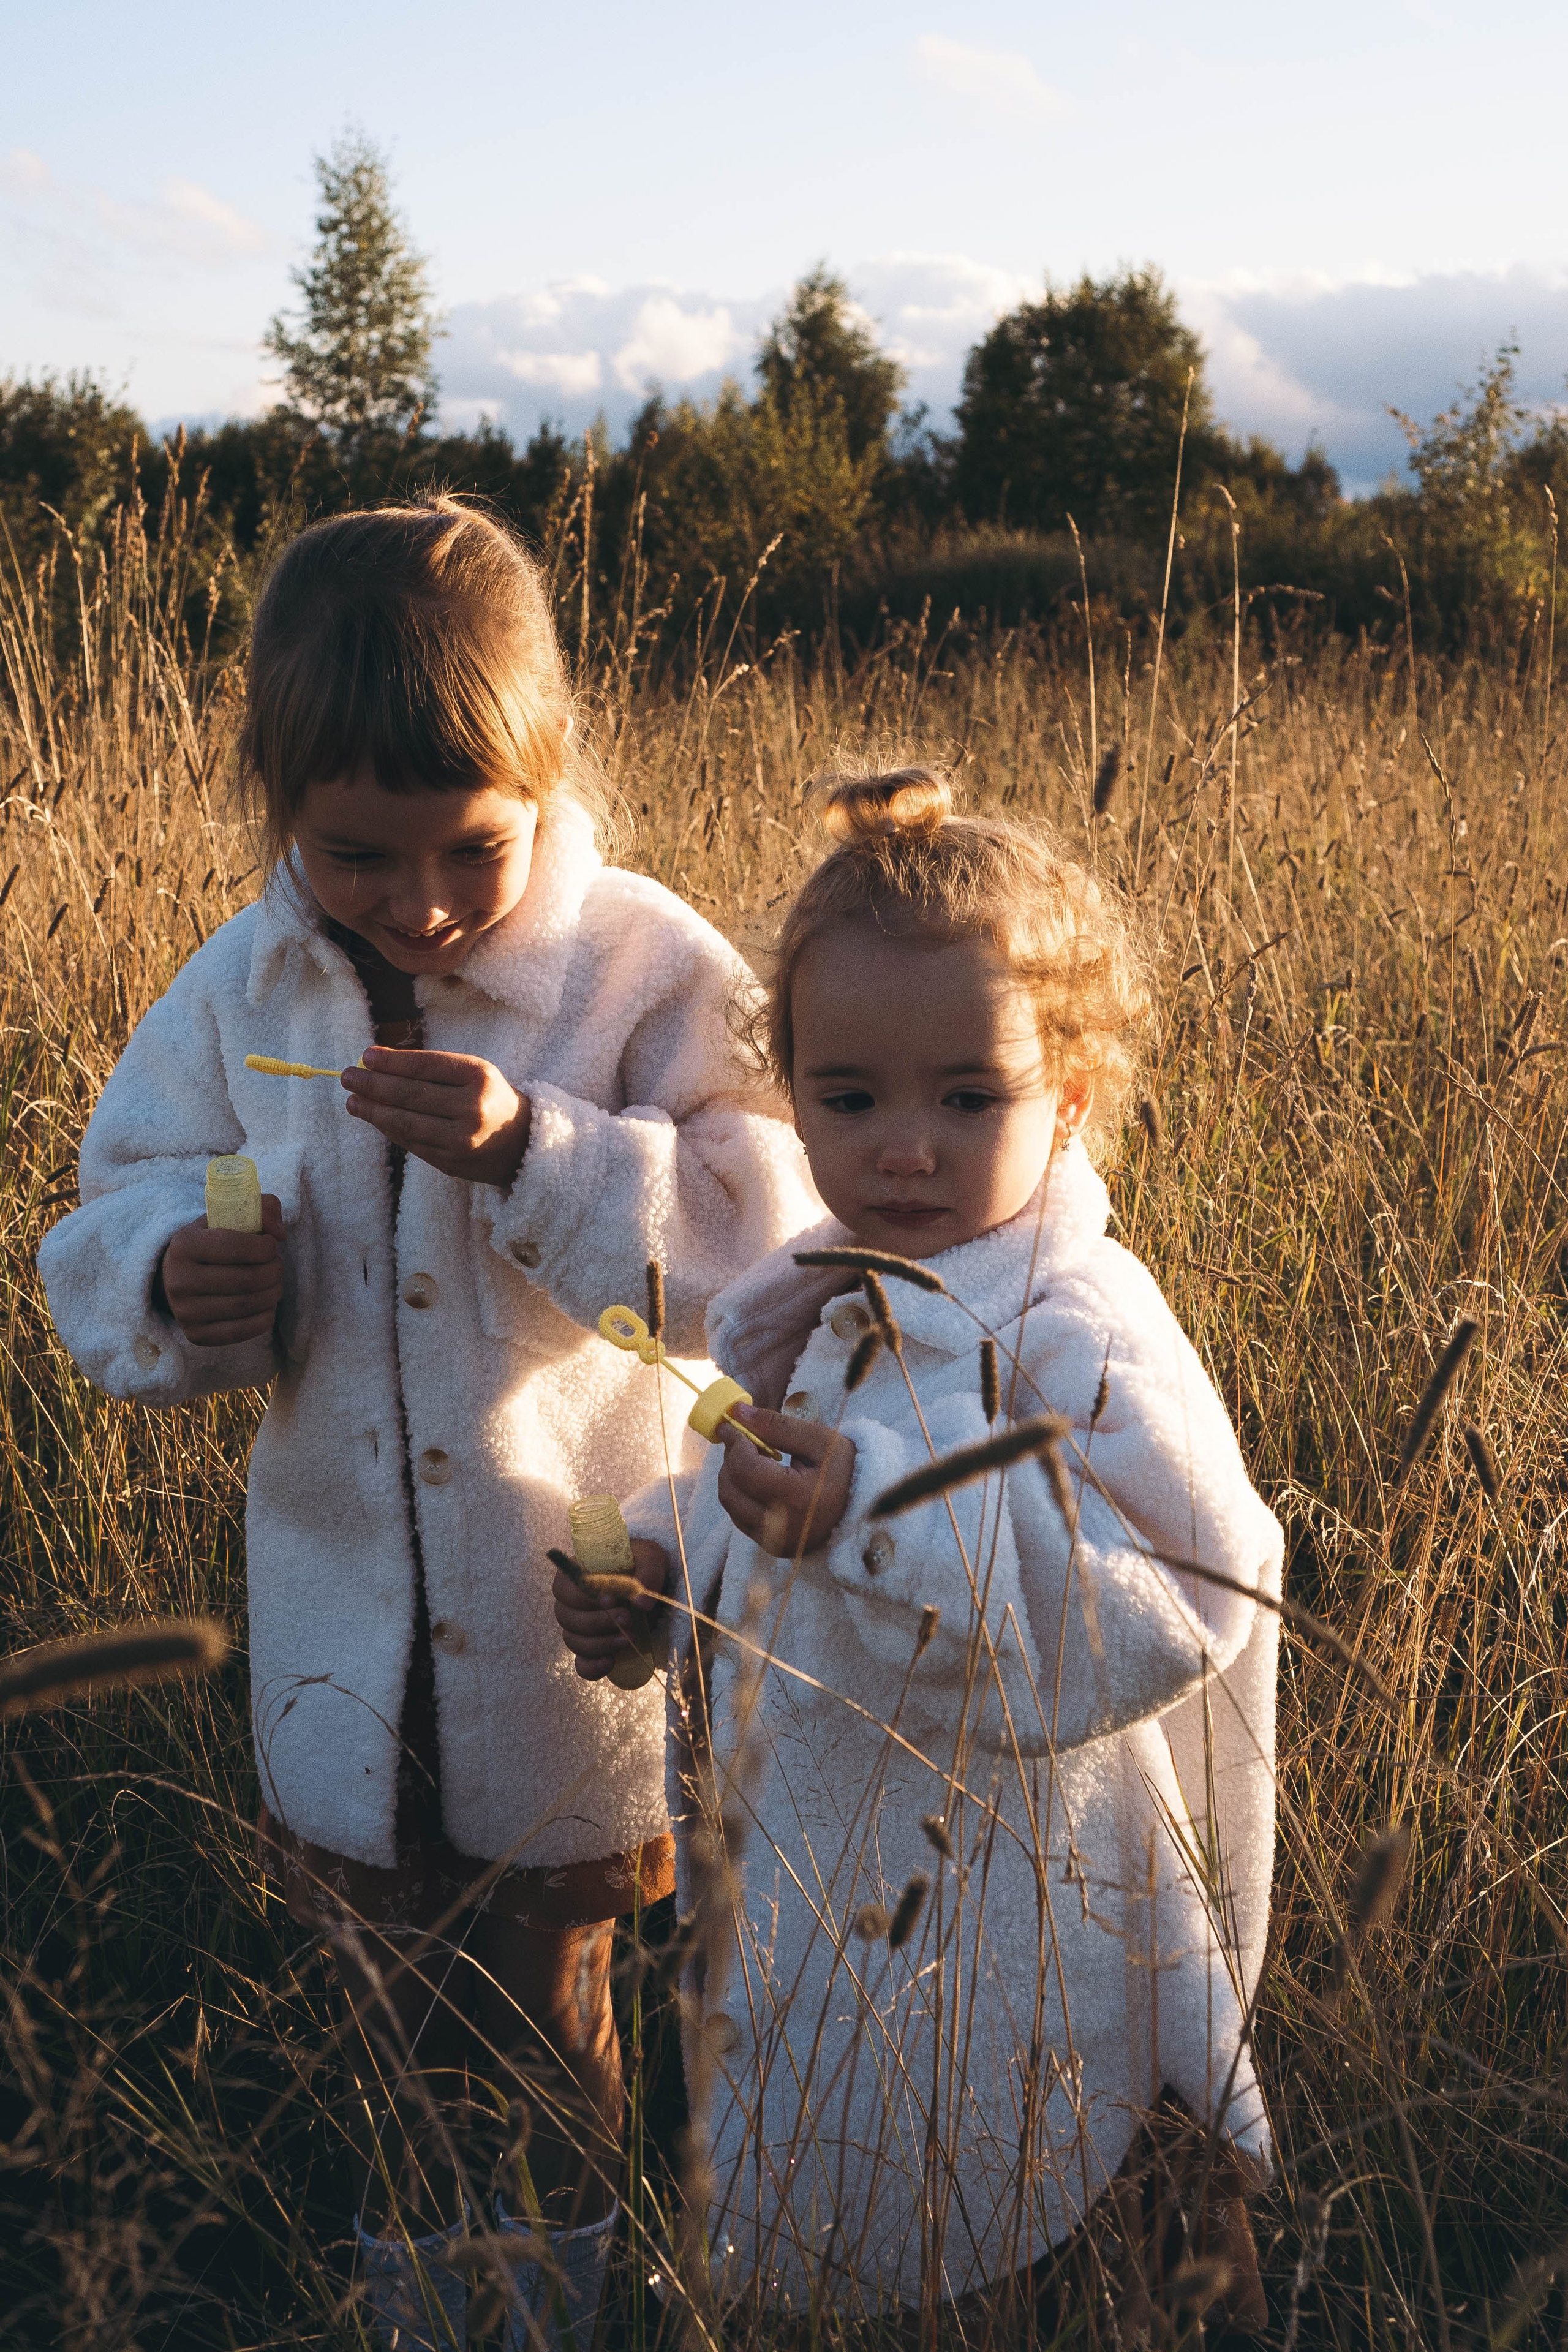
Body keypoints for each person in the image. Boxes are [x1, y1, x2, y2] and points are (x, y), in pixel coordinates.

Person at [38, 497, 815, 2352]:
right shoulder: (244, 982)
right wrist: (175, 1280)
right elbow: (114, 1196)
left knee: (549, 1990)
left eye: (470, 847)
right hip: (335, 1626)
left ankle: (552, 2296)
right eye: (355, 855)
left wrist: (536, 1155)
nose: (420, 903)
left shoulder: (643, 967)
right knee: (385, 1999)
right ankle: (420, 2301)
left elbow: (763, 1246)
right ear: (278, 811)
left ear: (547, 774)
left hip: (571, 1623)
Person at [554, 767, 1283, 2332]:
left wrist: (879, 1508)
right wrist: (668, 1589)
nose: (901, 1148)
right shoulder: (818, 1297)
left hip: (1020, 1914)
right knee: (843, 2201)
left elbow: (1193, 1583)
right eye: (849, 1097)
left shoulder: (1073, 1322)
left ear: (1068, 1095)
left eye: (969, 1098)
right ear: (790, 1089)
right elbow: (772, 1531)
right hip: (824, 1896)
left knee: (1017, 2227)